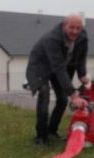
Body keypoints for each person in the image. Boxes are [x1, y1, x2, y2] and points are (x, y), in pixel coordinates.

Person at [26, 13, 90, 145]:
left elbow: (81, 56)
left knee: (62, 99)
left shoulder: (82, 36)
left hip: (59, 67)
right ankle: (40, 137)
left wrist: (82, 74)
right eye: (71, 27)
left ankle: (51, 131)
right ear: (64, 25)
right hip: (40, 67)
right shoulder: (52, 39)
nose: (75, 31)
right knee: (44, 95)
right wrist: (73, 95)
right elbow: (58, 67)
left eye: (78, 28)